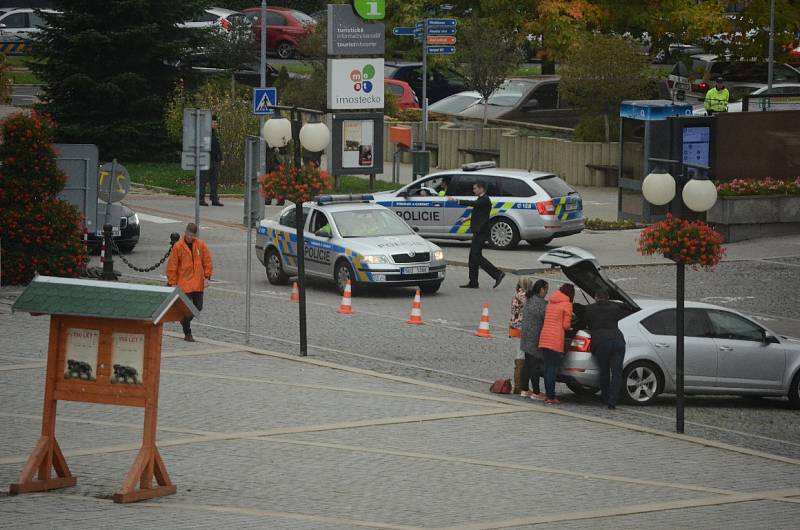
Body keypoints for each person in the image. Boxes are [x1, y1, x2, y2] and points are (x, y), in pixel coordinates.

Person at [448, 181, 504, 289]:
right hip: (478, 231)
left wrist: (456, 200)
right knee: (472, 258)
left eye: (475, 188)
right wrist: (467, 219)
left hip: (481, 232)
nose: (473, 190)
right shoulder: (481, 200)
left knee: (476, 256)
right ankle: (473, 282)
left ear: (481, 189)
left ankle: (497, 274)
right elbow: (479, 213)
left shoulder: (485, 199)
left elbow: (473, 204)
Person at [167, 223, 214, 342]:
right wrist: (172, 282)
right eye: (188, 234)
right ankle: (188, 333)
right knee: (188, 309)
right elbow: (172, 266)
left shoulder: (200, 245)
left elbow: (207, 260)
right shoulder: (178, 246)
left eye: (192, 235)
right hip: (184, 284)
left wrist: (207, 276)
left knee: (198, 307)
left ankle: (184, 320)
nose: (190, 237)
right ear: (185, 232)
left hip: (198, 283)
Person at [583, 288, 628, 409]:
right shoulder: (615, 308)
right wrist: (612, 302)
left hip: (602, 342)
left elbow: (585, 322)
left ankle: (605, 398)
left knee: (604, 371)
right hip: (618, 341)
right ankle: (613, 401)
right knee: (617, 373)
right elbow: (626, 306)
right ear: (608, 298)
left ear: (595, 297)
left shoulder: (589, 309)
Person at [537, 283, 575, 405]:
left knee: (548, 368)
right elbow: (565, 325)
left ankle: (549, 395)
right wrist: (569, 326)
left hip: (545, 337)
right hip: (555, 339)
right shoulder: (567, 304)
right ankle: (551, 397)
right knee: (552, 369)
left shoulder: (551, 302)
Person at [519, 279, 549, 400]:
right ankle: (536, 392)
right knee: (534, 366)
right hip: (535, 338)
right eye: (546, 289)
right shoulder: (541, 304)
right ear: (541, 289)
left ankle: (524, 390)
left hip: (526, 337)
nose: (547, 292)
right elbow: (546, 318)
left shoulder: (530, 299)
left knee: (527, 364)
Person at [508, 277, 533, 394]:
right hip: (523, 330)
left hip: (514, 329)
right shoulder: (526, 296)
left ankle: (518, 385)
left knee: (519, 355)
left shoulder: (516, 295)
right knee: (522, 357)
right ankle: (519, 386)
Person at [200, 114, 224, 206]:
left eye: (216, 122)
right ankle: (201, 199)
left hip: (215, 160)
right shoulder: (204, 133)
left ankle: (214, 198)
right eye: (214, 122)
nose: (216, 124)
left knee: (214, 181)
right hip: (206, 160)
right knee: (203, 180)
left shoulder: (214, 133)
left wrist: (221, 158)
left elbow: (217, 147)